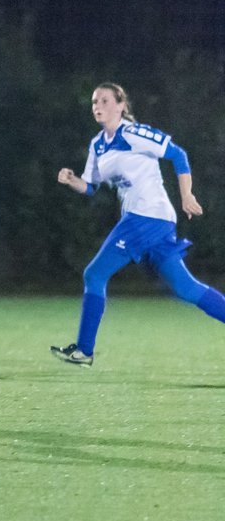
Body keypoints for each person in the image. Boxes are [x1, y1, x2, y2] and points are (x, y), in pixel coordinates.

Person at [51, 82, 225, 366]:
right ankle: (84, 350)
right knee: (186, 289)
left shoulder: (133, 133)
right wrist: (73, 181)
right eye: (95, 101)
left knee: (94, 275)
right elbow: (91, 187)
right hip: (149, 222)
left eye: (105, 101)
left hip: (146, 216)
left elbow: (177, 154)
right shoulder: (97, 145)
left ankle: (84, 350)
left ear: (121, 105)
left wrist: (187, 195)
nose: (98, 106)